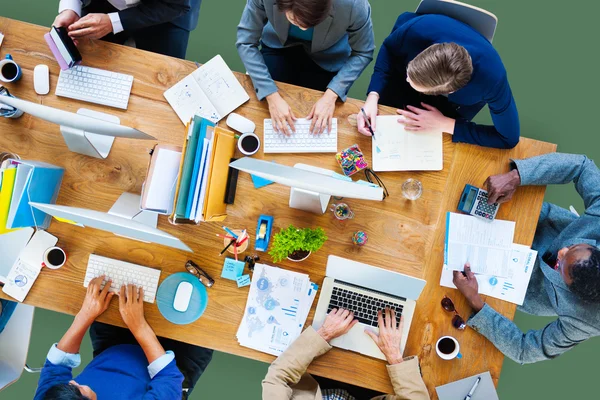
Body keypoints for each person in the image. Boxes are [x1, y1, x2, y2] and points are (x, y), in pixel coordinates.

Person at [452, 152, 600, 364]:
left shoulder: (586, 321)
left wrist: (475, 300)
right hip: (530, 222)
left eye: (561, 265)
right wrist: (517, 177)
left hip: (513, 284)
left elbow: (525, 350)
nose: (561, 252)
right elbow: (582, 166)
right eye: (572, 247)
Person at [357, 12, 519, 149]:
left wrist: (446, 124)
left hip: (456, 105)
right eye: (410, 73)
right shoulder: (419, 27)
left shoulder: (492, 81)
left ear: (450, 91)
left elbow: (508, 138)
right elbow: (389, 48)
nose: (407, 79)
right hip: (417, 45)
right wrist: (373, 95)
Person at [34, 276, 213, 399]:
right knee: (212, 306)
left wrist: (85, 315)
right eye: (78, 388)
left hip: (113, 349)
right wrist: (138, 326)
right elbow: (168, 378)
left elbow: (56, 367)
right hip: (173, 363)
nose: (72, 381)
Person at [237, 0, 375, 135]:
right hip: (278, 46)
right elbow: (246, 42)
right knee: (261, 115)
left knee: (319, 122)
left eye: (312, 22)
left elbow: (363, 52)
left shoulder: (354, 4)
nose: (303, 28)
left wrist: (331, 95)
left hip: (329, 56)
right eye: (294, 19)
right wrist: (271, 95)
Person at [262, 307, 430, 399]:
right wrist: (394, 356)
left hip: (319, 379)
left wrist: (324, 334)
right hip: (371, 391)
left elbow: (276, 378)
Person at [53, 0, 202, 59]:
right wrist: (70, 8)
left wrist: (113, 22)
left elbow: (176, 5)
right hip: (101, 4)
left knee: (165, 83)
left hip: (167, 10)